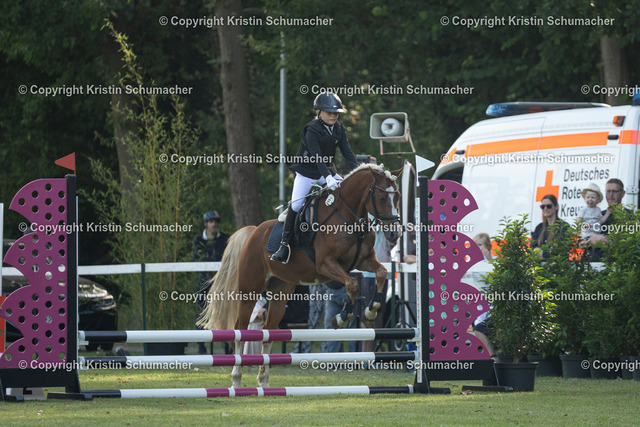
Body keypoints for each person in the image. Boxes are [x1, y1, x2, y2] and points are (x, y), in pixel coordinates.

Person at [271, 93, 358, 264]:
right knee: (296, 205)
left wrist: (356, 172)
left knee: (346, 195)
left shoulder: (339, 129)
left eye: (336, 113)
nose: (333, 115)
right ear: (319, 112)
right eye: (329, 112)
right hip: (307, 173)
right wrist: (328, 177)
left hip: (328, 172)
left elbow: (347, 153)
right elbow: (316, 156)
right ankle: (284, 245)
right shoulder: (311, 129)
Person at [192, 210, 229, 354]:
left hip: (221, 282)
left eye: (215, 221)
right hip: (203, 282)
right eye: (211, 221)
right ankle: (201, 345)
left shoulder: (225, 239)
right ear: (206, 224)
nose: (214, 224)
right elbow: (196, 260)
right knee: (201, 312)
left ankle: (226, 344)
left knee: (223, 312)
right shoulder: (198, 240)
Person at [531, 194, 568, 259]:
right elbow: (533, 247)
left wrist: (543, 254)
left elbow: (560, 249)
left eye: (549, 206)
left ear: (556, 207)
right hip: (539, 264)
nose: (545, 208)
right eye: (542, 206)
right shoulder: (539, 227)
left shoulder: (564, 227)